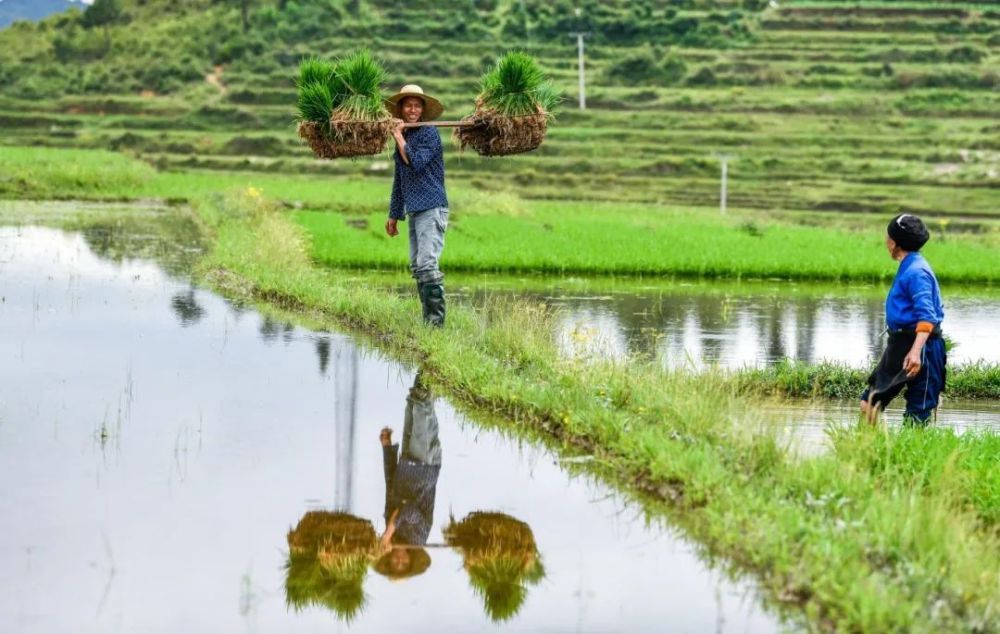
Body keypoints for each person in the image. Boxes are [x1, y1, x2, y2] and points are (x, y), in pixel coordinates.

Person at [860, 214, 946, 426]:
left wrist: (915, 352)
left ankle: (911, 453)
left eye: (888, 237)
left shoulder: (917, 272)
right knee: (869, 403)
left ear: (894, 243)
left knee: (918, 413)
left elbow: (927, 316)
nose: (885, 241)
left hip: (922, 346)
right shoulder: (910, 264)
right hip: (900, 344)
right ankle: (872, 451)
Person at [385, 84, 449, 327]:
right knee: (416, 265)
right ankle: (428, 322)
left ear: (422, 110)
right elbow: (400, 178)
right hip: (414, 209)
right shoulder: (406, 136)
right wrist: (394, 214)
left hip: (432, 207)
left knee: (427, 264)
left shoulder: (428, 133)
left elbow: (416, 163)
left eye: (416, 105)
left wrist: (398, 136)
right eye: (407, 105)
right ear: (401, 109)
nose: (412, 110)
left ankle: (435, 326)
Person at [373, 371, 441, 579]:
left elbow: (390, 486)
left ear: (390, 557)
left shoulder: (389, 525)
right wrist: (387, 534)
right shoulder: (418, 537)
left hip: (406, 462)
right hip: (424, 465)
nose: (399, 560)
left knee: (412, 406)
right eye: (404, 563)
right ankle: (434, 366)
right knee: (422, 406)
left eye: (395, 562)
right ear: (411, 559)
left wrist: (386, 448)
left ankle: (427, 365)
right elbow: (408, 508)